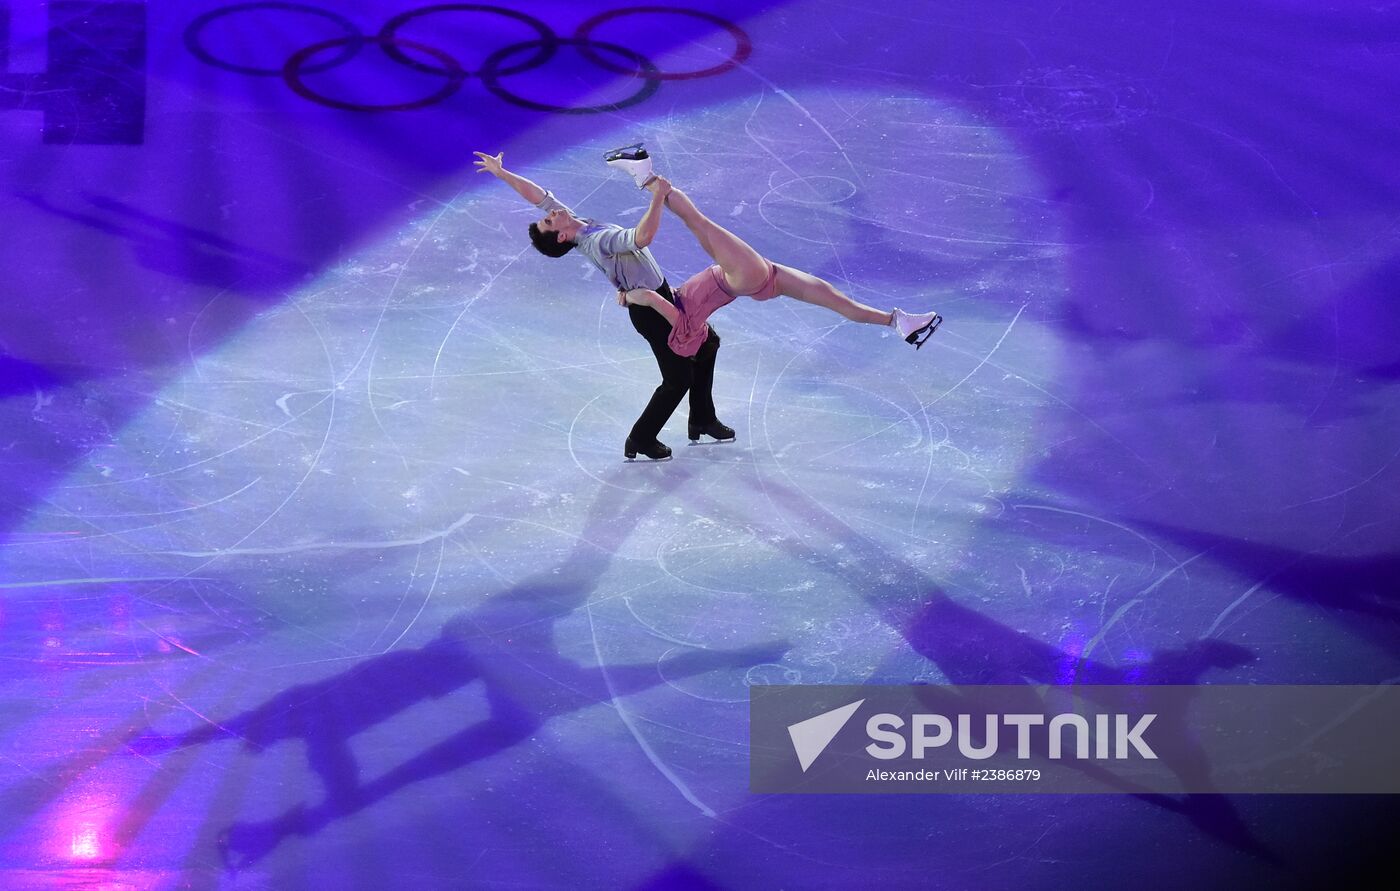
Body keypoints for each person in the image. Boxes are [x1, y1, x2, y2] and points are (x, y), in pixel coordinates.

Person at [472, 150, 734, 461]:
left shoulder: (578, 224)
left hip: (662, 294)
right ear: (560, 237)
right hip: (650, 312)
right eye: (548, 219)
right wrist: (658, 196)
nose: (552, 211)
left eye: (549, 214)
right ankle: (641, 438)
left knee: (707, 344)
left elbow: (539, 196)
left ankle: (702, 418)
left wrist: (502, 173)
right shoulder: (598, 241)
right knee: (678, 378)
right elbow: (643, 236)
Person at [602, 150, 943, 359]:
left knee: (835, 300)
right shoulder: (679, 319)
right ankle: (646, 176)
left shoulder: (679, 306)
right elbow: (647, 295)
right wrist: (630, 297)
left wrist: (630, 296)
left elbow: (656, 294)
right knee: (698, 222)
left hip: (763, 280)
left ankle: (897, 321)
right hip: (741, 276)